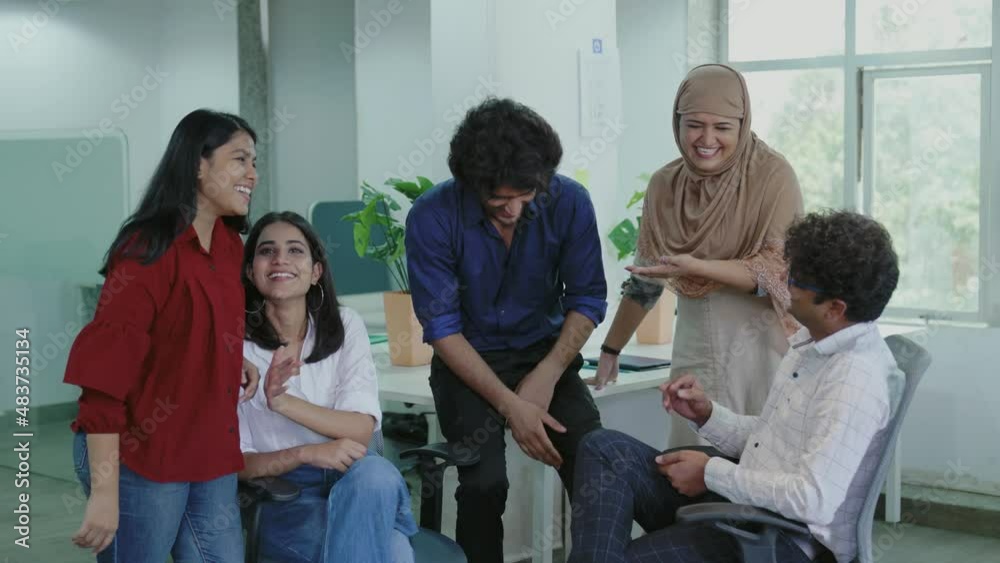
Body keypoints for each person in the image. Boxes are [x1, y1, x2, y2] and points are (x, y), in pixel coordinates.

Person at [569, 210, 901, 563]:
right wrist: (707, 414)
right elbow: (772, 440)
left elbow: (813, 500)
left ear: (835, 308)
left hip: (779, 539)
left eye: (796, 279)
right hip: (747, 503)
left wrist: (710, 473)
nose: (782, 279)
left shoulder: (854, 378)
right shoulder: (813, 344)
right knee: (603, 448)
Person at [405, 97, 607, 563]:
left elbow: (587, 298)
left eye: (525, 194)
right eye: (499, 198)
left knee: (595, 465)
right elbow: (443, 329)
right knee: (484, 483)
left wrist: (547, 375)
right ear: (470, 182)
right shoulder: (432, 215)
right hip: (467, 361)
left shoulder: (569, 201)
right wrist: (511, 405)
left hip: (545, 354)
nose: (513, 209)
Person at [64, 109, 262, 562]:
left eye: (254, 162)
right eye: (240, 159)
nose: (252, 174)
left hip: (209, 448)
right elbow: (104, 380)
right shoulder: (146, 250)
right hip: (142, 453)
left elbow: (188, 327)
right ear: (198, 165)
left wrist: (229, 358)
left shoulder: (229, 245)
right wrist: (105, 492)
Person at [590, 64, 804, 448]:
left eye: (722, 127)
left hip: (759, 345)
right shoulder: (665, 184)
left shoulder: (773, 176)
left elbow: (776, 273)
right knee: (690, 462)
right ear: (677, 122)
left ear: (742, 124)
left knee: (760, 458)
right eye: (694, 125)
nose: (706, 139)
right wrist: (610, 349)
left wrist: (698, 267)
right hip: (693, 344)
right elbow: (646, 279)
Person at [238, 211, 417, 563]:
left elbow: (361, 430)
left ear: (316, 271)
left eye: (295, 250)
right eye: (267, 251)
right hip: (283, 499)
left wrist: (284, 403)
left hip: (356, 485)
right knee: (394, 554)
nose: (280, 259)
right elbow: (236, 464)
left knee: (376, 472)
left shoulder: (345, 325)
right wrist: (305, 454)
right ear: (249, 271)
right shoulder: (235, 347)